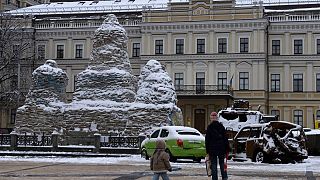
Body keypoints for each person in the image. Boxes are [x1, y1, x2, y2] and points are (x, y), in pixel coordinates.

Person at [205, 111, 229, 180]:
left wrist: (207, 151)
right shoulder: (221, 126)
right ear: (217, 118)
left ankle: (215, 178)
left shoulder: (209, 127)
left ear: (211, 119)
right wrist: (227, 149)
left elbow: (207, 140)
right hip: (222, 148)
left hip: (212, 149)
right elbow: (225, 138)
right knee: (222, 164)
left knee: (214, 165)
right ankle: (224, 177)